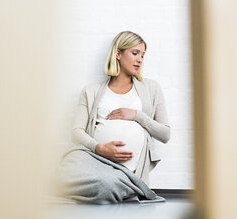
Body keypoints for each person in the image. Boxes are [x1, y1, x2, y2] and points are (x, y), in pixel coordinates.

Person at [53, 31, 170, 204]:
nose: (140, 59)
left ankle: (111, 186)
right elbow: (77, 132)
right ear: (118, 53)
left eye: (143, 55)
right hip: (93, 158)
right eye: (135, 53)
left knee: (106, 184)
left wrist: (137, 116)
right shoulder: (91, 91)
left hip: (125, 172)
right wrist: (99, 148)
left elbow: (165, 134)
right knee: (62, 172)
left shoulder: (151, 88)